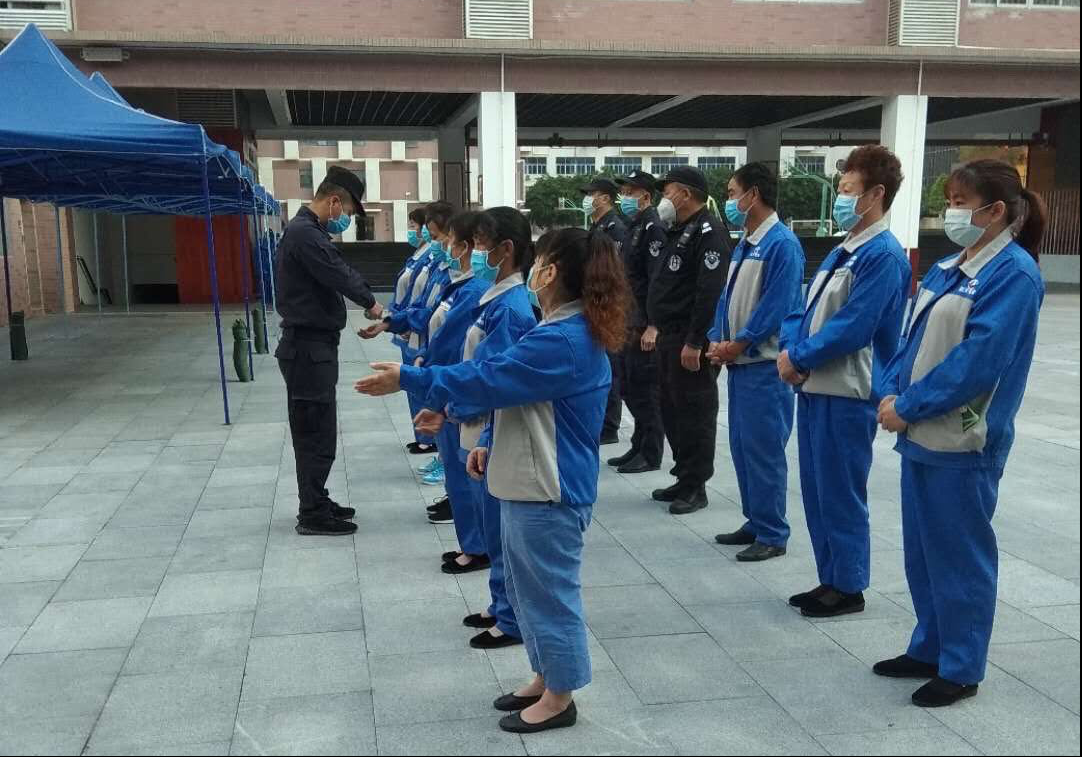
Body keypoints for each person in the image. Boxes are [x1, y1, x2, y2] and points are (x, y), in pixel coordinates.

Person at [356, 226, 630, 735]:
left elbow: (489, 377)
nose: (534, 270)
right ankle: (545, 676)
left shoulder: (562, 338)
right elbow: (514, 392)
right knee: (527, 592)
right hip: (529, 480)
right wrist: (486, 439)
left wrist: (410, 378)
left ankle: (561, 696)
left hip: (550, 488)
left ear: (552, 272)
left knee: (550, 594)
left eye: (540, 261)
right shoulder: (559, 329)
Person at [874, 159, 1046, 708]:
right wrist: (889, 391)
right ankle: (930, 646)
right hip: (921, 432)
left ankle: (962, 665)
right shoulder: (950, 267)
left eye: (959, 202)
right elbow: (910, 338)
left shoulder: (1013, 274)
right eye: (948, 200)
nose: (950, 212)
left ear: (994, 211)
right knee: (924, 551)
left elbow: (978, 361)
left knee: (960, 554)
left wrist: (910, 405)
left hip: (964, 439)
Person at [778, 145, 912, 617]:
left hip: (849, 392)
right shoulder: (842, 251)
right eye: (840, 187)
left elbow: (855, 326)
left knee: (840, 491)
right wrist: (790, 349)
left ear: (876, 194)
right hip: (816, 387)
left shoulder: (884, 256)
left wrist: (800, 357)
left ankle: (849, 585)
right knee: (817, 489)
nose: (840, 197)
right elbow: (802, 308)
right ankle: (829, 577)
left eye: (848, 189)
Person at [275, 166, 381, 537]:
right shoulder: (305, 233)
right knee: (314, 433)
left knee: (319, 428)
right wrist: (372, 303)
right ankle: (312, 512)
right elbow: (337, 271)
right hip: (307, 349)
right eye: (348, 210)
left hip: (312, 348)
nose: (346, 217)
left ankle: (317, 499)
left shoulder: (308, 231)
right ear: (334, 201)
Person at [707, 162, 804, 562]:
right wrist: (717, 338)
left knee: (764, 450)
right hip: (740, 364)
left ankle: (773, 532)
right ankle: (756, 519)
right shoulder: (747, 242)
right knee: (743, 448)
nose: (730, 201)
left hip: (763, 366)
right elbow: (726, 298)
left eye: (733, 193)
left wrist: (740, 343)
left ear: (754, 195)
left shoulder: (782, 244)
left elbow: (776, 307)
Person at [443, 207, 536, 580]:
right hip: (475, 419)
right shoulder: (497, 299)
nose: (475, 252)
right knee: (487, 517)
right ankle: (500, 603)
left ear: (506, 249)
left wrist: (451, 403)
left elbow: (492, 379)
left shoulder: (510, 309)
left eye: (481, 244)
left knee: (497, 529)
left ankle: (505, 606)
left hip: (485, 422)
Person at [647, 166, 732, 515]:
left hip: (688, 337)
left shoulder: (708, 232)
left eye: (667, 191)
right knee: (672, 409)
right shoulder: (678, 230)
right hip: (669, 336)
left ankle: (696, 485)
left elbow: (708, 292)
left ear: (685, 194)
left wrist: (696, 341)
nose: (663, 198)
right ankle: (683, 476)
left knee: (695, 413)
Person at [362, 201, 455, 473]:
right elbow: (422, 303)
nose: (433, 241)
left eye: (436, 235)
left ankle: (442, 456)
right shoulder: (437, 265)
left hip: (434, 347)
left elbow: (433, 313)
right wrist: (391, 321)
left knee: (444, 403)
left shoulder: (460, 280)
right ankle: (439, 454)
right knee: (428, 398)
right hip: (423, 341)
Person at [607, 170, 667, 474]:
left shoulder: (654, 228)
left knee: (646, 391)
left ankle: (651, 452)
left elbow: (658, 279)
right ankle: (638, 444)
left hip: (644, 323)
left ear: (645, 195)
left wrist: (654, 325)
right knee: (630, 387)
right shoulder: (635, 226)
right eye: (623, 192)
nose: (624, 197)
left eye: (630, 192)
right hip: (629, 319)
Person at [580, 177, 629, 445]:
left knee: (610, 366)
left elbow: (617, 271)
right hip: (593, 302)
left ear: (606, 198)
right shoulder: (597, 226)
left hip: (607, 304)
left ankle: (609, 426)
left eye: (592, 194)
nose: (588, 199)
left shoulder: (616, 229)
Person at [388, 207, 434, 455]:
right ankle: (422, 435)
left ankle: (428, 438)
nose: (412, 231)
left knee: (420, 385)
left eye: (414, 226)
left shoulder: (431, 257)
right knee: (413, 387)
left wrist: (408, 322)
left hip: (418, 330)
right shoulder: (419, 255)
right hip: (409, 327)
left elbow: (424, 299)